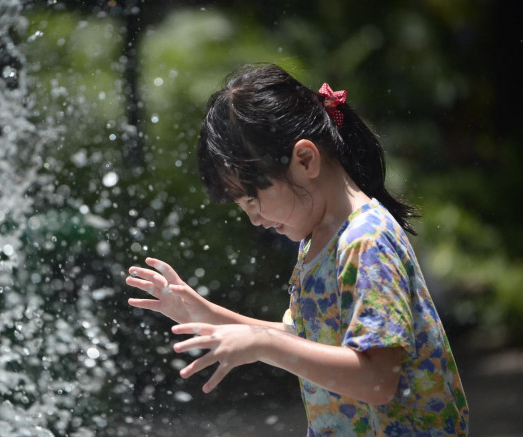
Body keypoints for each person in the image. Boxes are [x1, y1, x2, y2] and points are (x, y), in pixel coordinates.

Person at [126, 63, 469, 436]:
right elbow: (303, 340)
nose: (254, 219)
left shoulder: (367, 240)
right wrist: (205, 313)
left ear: (305, 160)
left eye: (253, 199)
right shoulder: (317, 243)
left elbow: (376, 379)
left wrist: (263, 344)